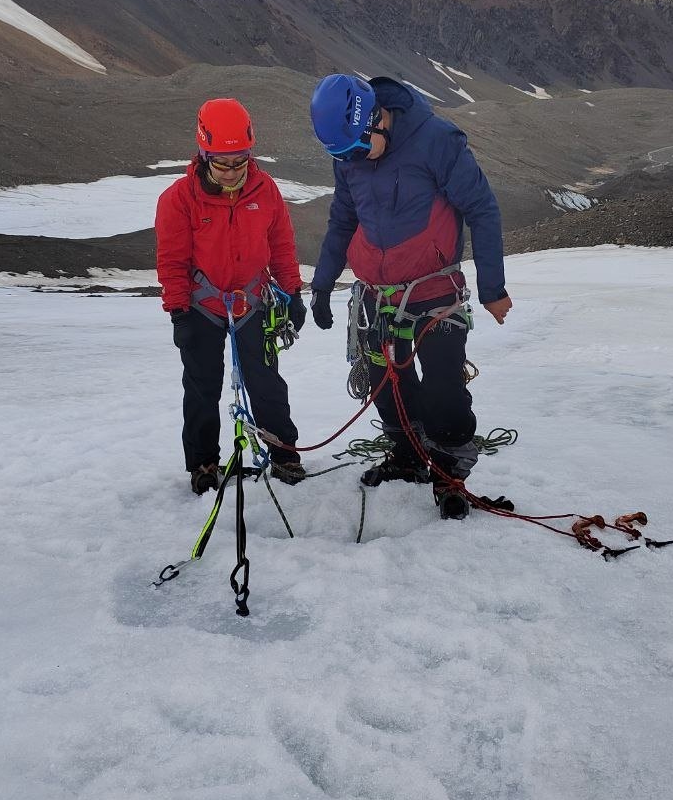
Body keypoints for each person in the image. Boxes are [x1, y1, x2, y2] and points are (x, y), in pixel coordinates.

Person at [306, 74, 512, 520]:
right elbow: (343, 220)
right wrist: (322, 284)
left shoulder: (435, 140)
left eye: (356, 150)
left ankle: (450, 471)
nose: (351, 161)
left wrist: (493, 288)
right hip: (375, 297)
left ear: (376, 119)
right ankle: (408, 456)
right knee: (386, 384)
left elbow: (482, 208)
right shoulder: (350, 154)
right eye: (341, 156)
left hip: (434, 290)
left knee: (442, 387)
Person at [156, 98, 307, 495]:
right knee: (202, 385)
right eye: (222, 164)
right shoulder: (179, 199)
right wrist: (178, 310)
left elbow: (281, 245)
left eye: (239, 162)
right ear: (203, 154)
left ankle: (283, 452)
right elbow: (172, 259)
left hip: (253, 302)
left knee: (266, 382)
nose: (232, 172)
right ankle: (204, 463)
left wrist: (292, 292)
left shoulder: (265, 189)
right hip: (201, 305)